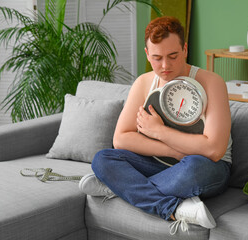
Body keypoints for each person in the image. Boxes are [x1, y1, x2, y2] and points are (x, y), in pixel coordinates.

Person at [79, 16, 232, 235]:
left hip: (207, 168)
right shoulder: (144, 83)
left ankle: (119, 187)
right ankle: (171, 207)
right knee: (103, 159)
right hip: (159, 163)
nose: (165, 66)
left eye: (173, 56)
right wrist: (175, 151)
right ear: (147, 54)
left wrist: (158, 131)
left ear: (185, 49)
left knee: (193, 168)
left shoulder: (211, 82)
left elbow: (214, 150)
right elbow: (121, 139)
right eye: (157, 58)